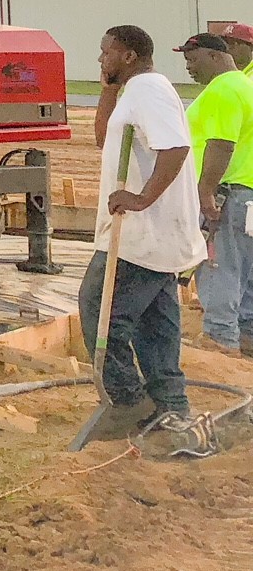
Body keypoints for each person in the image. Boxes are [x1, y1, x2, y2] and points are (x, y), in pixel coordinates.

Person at [79, 24, 210, 453]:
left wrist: (141, 198)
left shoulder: (150, 90)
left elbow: (175, 148)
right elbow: (104, 141)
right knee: (156, 325)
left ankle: (131, 402)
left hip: (142, 235)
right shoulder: (132, 93)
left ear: (129, 55)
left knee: (100, 310)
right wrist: (107, 90)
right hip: (153, 239)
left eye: (106, 52)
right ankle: (170, 406)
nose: (101, 59)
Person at [177, 32, 253, 356]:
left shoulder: (223, 90)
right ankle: (245, 334)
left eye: (192, 61)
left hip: (227, 192)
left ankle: (221, 340)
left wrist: (206, 191)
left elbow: (222, 143)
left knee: (218, 265)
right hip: (244, 192)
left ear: (213, 56)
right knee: (244, 267)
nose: (189, 69)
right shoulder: (245, 85)